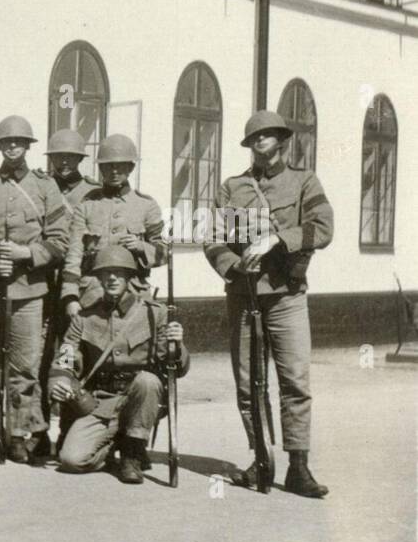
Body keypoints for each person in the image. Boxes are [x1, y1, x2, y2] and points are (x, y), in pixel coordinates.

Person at [203, 109, 333, 498]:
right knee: (249, 384)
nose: (261, 142)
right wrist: (232, 265)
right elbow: (213, 238)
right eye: (255, 138)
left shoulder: (304, 181)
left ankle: (298, 467)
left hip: (287, 295)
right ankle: (260, 457)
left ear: (281, 139)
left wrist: (280, 239)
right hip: (244, 296)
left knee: (294, 381)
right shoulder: (232, 187)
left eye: (269, 135)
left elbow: (324, 227)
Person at [0, 115, 69, 464]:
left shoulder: (44, 187)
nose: (12, 147)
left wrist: (28, 254)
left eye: (18, 142)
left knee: (23, 367)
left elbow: (61, 240)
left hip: (29, 290)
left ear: (28, 146)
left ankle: (18, 435)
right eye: (6, 142)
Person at [60, 134, 166, 465]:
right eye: (107, 167)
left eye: (120, 166)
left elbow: (163, 251)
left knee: (140, 368)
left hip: (132, 297)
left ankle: (133, 440)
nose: (114, 172)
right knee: (83, 364)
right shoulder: (88, 205)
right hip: (92, 297)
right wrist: (70, 295)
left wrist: (143, 248)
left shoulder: (146, 206)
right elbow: (75, 250)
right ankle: (80, 432)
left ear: (130, 168)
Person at [49, 246, 188, 484]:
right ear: (99, 278)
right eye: (106, 273)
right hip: (101, 401)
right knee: (71, 460)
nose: (112, 278)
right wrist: (60, 380)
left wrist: (178, 344)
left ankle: (132, 455)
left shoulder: (154, 313)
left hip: (140, 399)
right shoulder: (85, 318)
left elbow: (175, 366)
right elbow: (66, 356)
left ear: (130, 277)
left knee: (148, 381)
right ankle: (117, 443)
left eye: (119, 272)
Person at [34, 129, 100, 458]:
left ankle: (69, 430)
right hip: (41, 284)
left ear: (80, 160)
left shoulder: (93, 193)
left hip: (76, 288)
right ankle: (37, 431)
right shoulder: (37, 187)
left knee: (72, 356)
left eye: (70, 157)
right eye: (57, 157)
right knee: (39, 358)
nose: (63, 162)